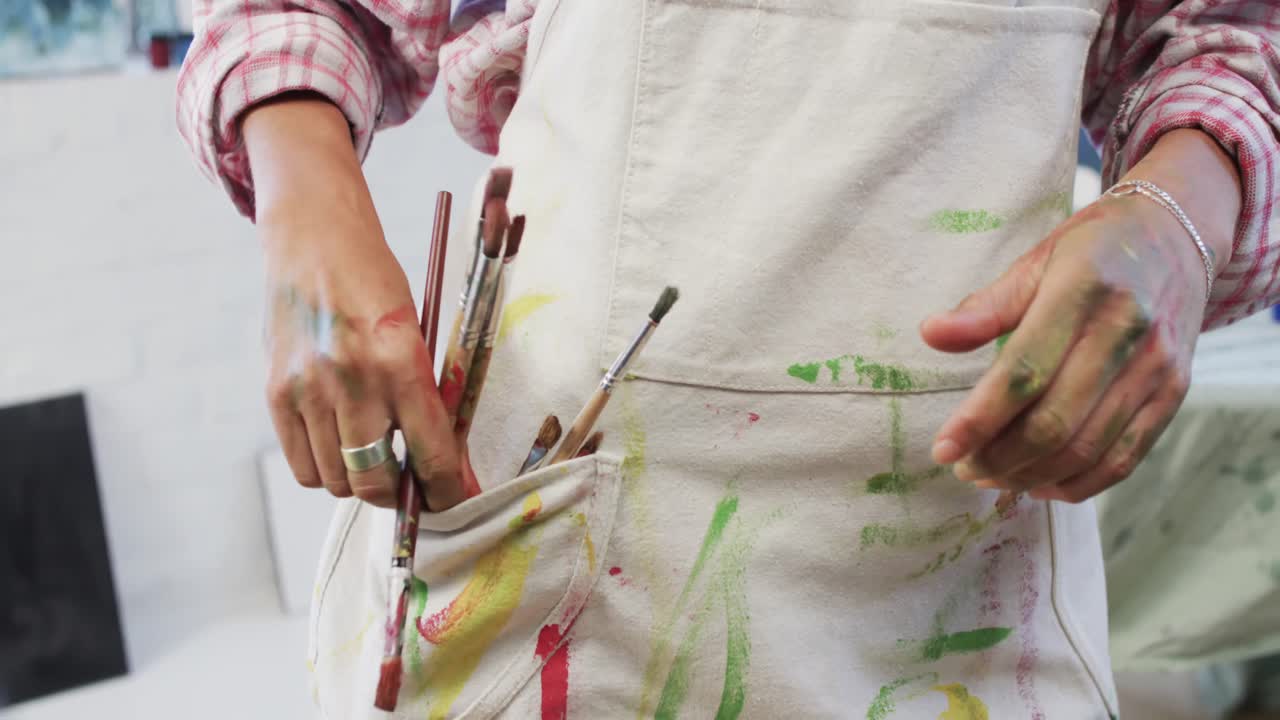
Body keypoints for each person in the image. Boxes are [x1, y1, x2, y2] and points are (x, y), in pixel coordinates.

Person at [177, 1, 1280, 717]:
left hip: (956, 581)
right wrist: (304, 192)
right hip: (563, 556)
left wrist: (1176, 213)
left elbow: (1232, 38)